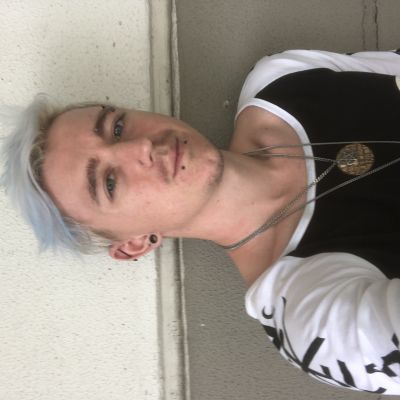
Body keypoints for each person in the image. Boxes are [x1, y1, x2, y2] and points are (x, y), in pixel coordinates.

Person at [2, 49, 400, 394]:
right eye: (109, 182)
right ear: (136, 243)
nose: (142, 146)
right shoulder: (309, 316)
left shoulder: (284, 79)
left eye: (117, 127)